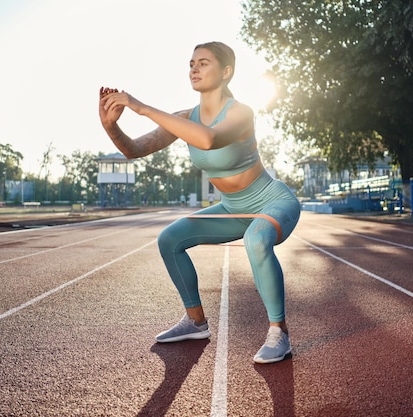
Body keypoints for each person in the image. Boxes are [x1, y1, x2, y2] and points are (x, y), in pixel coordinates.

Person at [98, 41, 301, 364]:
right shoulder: (185, 118)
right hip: (233, 209)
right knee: (170, 239)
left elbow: (208, 138)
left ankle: (280, 333)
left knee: (257, 239)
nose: (194, 68)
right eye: (191, 63)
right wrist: (112, 127)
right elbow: (133, 150)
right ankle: (195, 322)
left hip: (271, 201)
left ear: (226, 72)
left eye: (203, 63)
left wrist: (141, 106)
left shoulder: (240, 112)